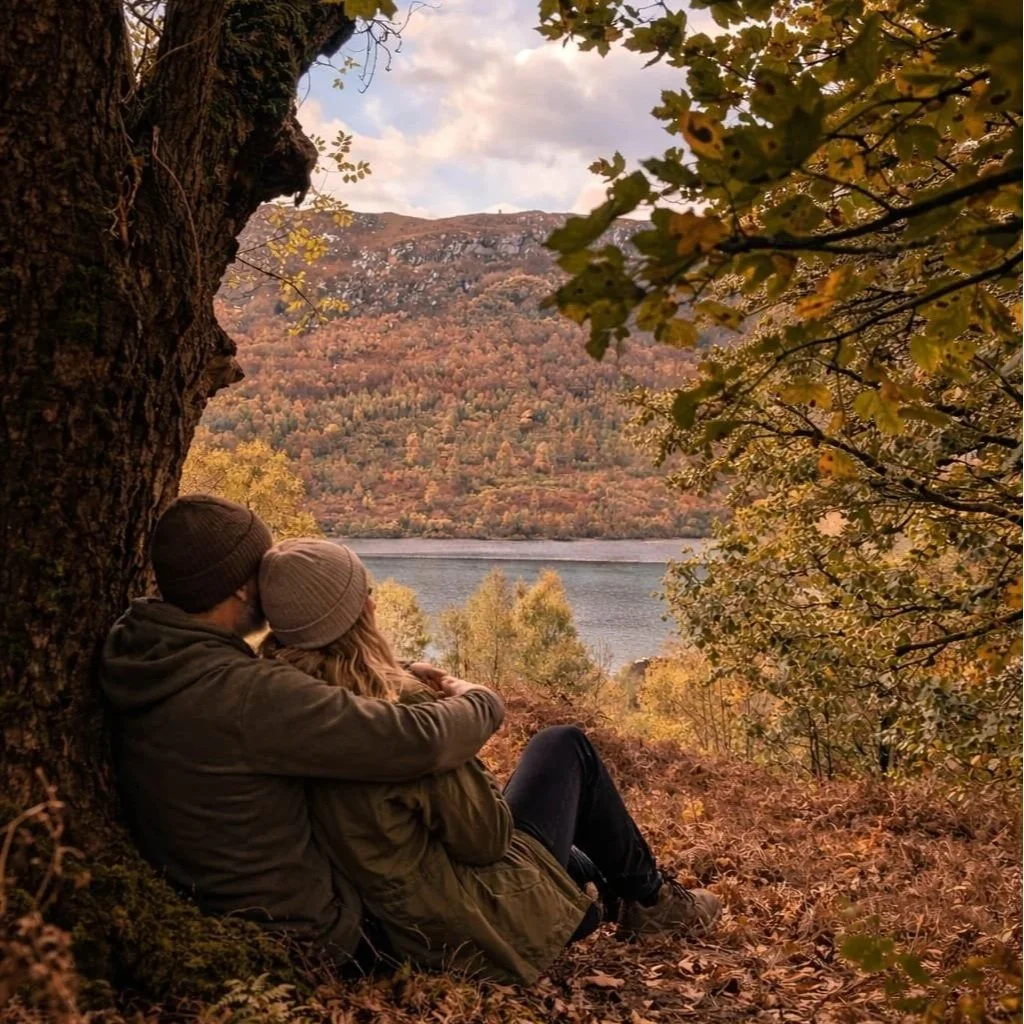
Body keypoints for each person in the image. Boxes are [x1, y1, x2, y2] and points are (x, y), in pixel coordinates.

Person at [258, 538, 722, 984]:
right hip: (463, 921)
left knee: (580, 856)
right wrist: (464, 697)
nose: (375, 603)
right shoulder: (404, 715)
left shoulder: (281, 700)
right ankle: (655, 902)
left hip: (389, 914)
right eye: (368, 595)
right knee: (563, 746)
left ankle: (622, 891)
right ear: (357, 614)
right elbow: (487, 838)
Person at [99, 495, 505, 963]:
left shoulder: (146, 651)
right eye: (262, 571)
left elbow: (283, 704)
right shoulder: (245, 692)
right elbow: (418, 739)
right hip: (315, 935)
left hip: (217, 904)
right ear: (239, 590)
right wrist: (483, 701)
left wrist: (395, 667)